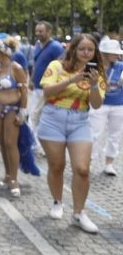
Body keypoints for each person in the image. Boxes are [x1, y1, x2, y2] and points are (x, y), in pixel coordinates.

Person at [37, 33, 106, 234]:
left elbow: (96, 104)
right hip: (53, 119)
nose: (86, 53)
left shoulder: (97, 73)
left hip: (80, 121)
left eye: (90, 50)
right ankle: (58, 202)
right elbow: (47, 91)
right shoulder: (57, 66)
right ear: (73, 49)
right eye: (82, 49)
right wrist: (72, 79)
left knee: (82, 168)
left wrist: (93, 84)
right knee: (57, 166)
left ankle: (79, 213)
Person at [0, 39, 29, 197]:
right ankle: (8, 174)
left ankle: (14, 179)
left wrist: (22, 112)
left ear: (2, 51)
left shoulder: (16, 68)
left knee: (11, 143)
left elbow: (24, 91)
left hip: (11, 109)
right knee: (3, 143)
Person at [89, 38, 123, 176]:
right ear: (105, 53)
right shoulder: (95, 67)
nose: (117, 55)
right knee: (94, 134)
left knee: (114, 135)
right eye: (113, 53)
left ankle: (109, 163)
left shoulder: (120, 66)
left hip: (118, 104)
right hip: (99, 105)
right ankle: (89, 161)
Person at [28, 21, 64, 135]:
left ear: (49, 32)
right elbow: (36, 64)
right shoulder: (38, 46)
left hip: (48, 88)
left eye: (41, 31)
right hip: (37, 87)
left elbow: (61, 67)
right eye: (37, 31)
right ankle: (35, 143)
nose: (38, 33)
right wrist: (31, 79)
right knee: (34, 115)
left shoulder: (56, 47)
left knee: (39, 116)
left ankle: (37, 144)